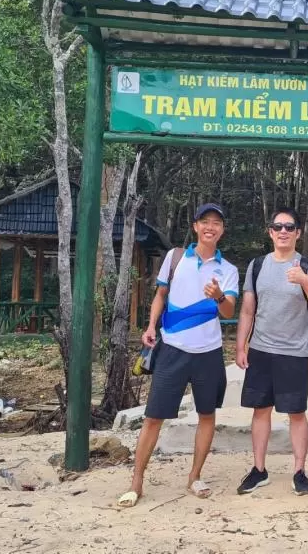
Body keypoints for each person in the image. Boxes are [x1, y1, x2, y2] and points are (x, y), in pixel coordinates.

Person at [116, 203, 239, 508]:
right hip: (172, 348)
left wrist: (219, 296)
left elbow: (229, 311)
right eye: (205, 222)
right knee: (154, 416)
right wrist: (150, 326)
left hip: (208, 352)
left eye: (217, 223)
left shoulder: (229, 270)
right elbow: (160, 295)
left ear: (222, 230)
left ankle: (194, 476)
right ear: (196, 226)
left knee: (207, 414)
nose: (211, 227)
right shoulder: (175, 258)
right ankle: (137, 481)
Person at [234, 207, 308, 496]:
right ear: (270, 232)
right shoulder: (257, 265)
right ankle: (259, 469)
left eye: (289, 227)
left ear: (298, 233)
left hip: (294, 352)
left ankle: (299, 471)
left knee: (296, 412)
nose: (283, 231)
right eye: (278, 227)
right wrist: (241, 345)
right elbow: (248, 309)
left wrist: (304, 281)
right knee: (261, 410)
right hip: (261, 349)